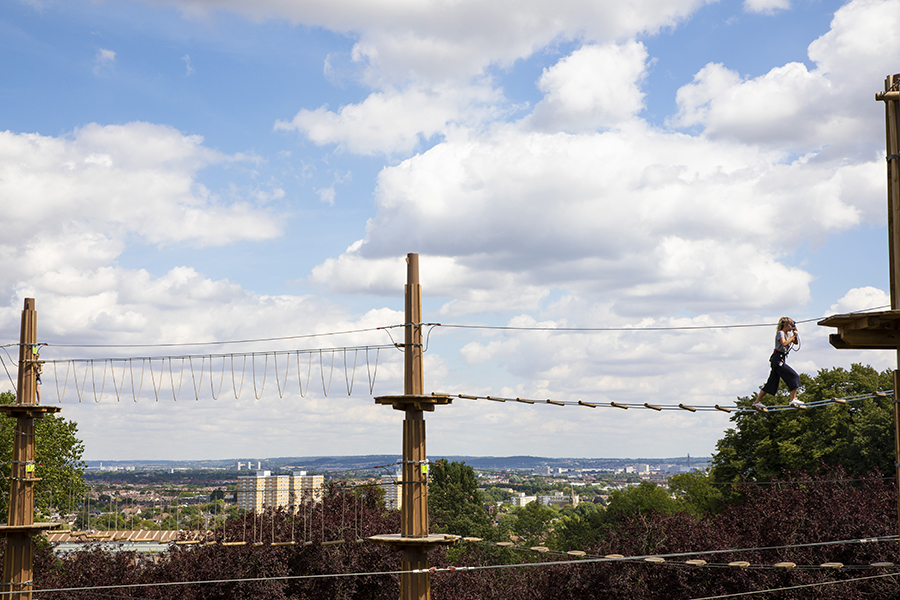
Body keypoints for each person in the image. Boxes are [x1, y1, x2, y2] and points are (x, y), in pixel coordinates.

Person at [752, 317, 803, 410]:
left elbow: (796, 343)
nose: (792, 326)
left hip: (781, 359)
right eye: (791, 324)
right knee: (794, 376)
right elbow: (784, 343)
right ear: (785, 325)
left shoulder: (788, 334)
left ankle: (756, 402)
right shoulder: (781, 333)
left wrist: (795, 334)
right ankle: (793, 399)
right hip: (777, 359)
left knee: (771, 382)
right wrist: (792, 337)